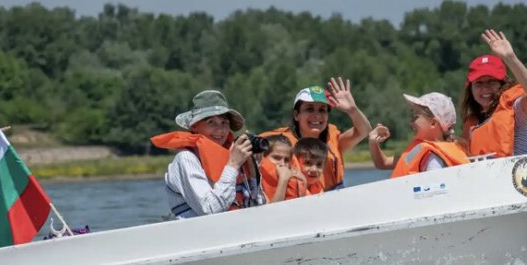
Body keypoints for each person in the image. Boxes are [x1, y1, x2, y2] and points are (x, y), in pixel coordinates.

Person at [150, 90, 265, 219]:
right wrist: (233, 165)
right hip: (197, 235)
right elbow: (210, 210)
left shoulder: (233, 154)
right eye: (211, 122)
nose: (220, 130)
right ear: (194, 127)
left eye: (224, 123)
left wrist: (254, 170)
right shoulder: (186, 159)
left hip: (233, 230)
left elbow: (258, 205)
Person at [260, 77, 371, 191]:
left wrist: (352, 110)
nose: (316, 115)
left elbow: (363, 131)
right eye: (309, 109)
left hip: (333, 201)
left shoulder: (332, 138)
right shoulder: (280, 142)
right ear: (296, 115)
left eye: (322, 110)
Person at [464, 29, 527, 157]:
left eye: (491, 82)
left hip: (517, 176)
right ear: (470, 88)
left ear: (503, 84)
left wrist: (510, 58)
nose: (485, 88)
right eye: (479, 83)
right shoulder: (472, 123)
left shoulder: (517, 110)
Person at [368, 92, 469, 176]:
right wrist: (373, 142)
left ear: (433, 123)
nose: (411, 122)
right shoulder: (421, 151)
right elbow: (383, 163)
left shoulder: (433, 159)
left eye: (416, 117)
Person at [259, 134, 306, 203]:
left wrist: (304, 184)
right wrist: (283, 181)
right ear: (263, 157)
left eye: (286, 160)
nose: (282, 164)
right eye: (276, 158)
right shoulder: (256, 181)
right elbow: (273, 212)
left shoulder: (296, 178)